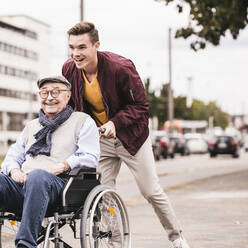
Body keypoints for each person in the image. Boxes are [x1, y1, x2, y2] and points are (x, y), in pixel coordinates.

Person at [62, 22, 190, 248]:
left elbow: (141, 106)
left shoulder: (120, 68)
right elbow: (70, 107)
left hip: (132, 138)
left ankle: (176, 237)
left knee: (150, 190)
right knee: (102, 195)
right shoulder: (69, 70)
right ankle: (115, 244)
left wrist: (115, 123)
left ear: (96, 46)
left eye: (81, 47)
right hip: (101, 141)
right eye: (71, 47)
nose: (75, 54)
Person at [0, 76, 100, 248]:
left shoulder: (82, 121)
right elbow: (12, 156)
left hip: (61, 184)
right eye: (44, 93)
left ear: (68, 96)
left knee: (38, 176)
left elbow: (90, 156)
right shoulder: (31, 126)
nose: (49, 97)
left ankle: (25, 245)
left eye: (55, 92)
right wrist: (14, 171)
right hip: (25, 183)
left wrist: (62, 165)